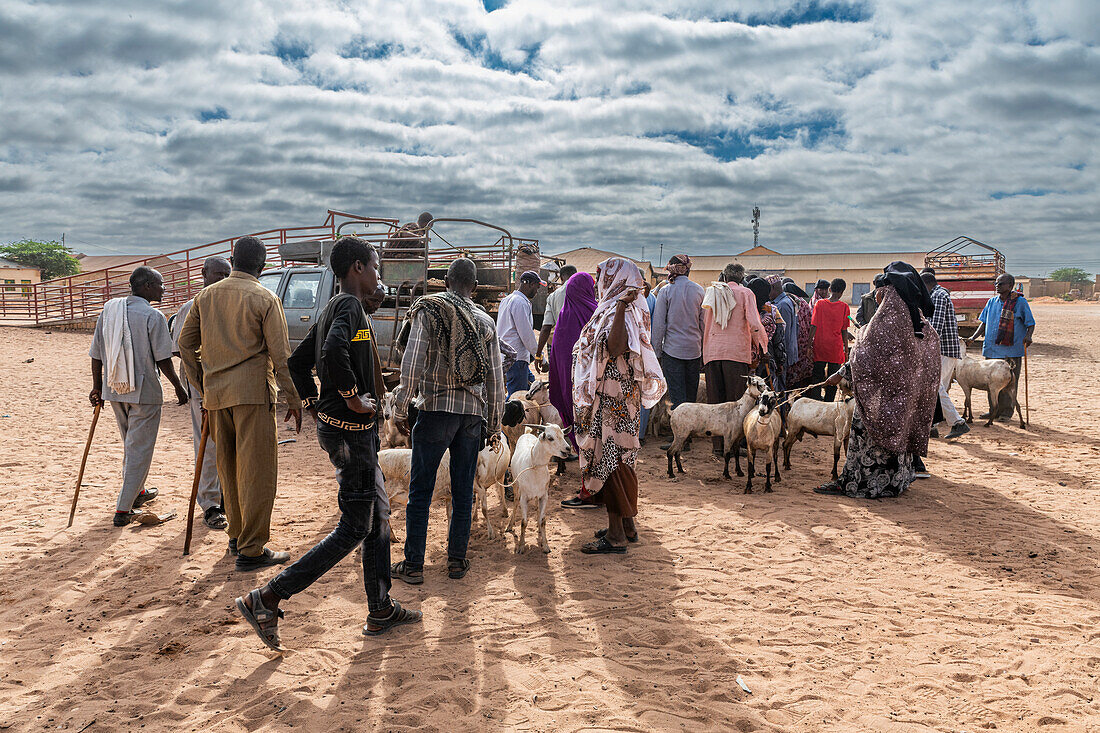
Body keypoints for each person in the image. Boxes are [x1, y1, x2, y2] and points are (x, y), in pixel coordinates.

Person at [235, 238, 421, 651]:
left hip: (343, 430)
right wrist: (353, 396)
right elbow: (334, 351)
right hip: (352, 435)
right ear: (357, 267)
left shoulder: (332, 307)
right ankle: (267, 597)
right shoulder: (350, 307)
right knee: (355, 526)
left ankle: (381, 608)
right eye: (375, 266)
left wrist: (311, 403)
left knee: (377, 516)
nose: (378, 275)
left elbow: (300, 363)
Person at [178, 236, 303, 571]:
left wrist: (203, 386)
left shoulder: (205, 296)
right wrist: (295, 398)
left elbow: (184, 344)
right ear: (262, 266)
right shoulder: (264, 296)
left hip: (217, 397)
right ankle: (251, 549)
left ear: (233, 260)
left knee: (229, 468)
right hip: (252, 395)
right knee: (258, 472)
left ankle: (236, 537)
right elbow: (281, 355)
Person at [391, 258, 504, 584]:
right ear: (476, 288)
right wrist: (494, 425)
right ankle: (456, 561)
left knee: (421, 491)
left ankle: (413, 566)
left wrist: (400, 407)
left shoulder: (429, 310)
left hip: (434, 411)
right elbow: (496, 381)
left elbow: (411, 363)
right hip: (470, 417)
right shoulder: (485, 321)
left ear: (446, 282)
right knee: (462, 491)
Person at [814, 262, 939, 499]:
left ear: (889, 291)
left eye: (880, 290)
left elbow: (866, 355)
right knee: (897, 436)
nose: (876, 294)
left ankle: (858, 484)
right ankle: (894, 483)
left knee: (867, 438)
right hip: (904, 400)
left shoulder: (888, 321)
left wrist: (841, 373)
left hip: (882, 399)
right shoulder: (917, 320)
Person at [572, 258, 667, 553]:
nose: (599, 279)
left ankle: (615, 537)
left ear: (616, 278)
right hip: (619, 398)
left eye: (603, 275)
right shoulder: (618, 308)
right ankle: (627, 526)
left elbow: (615, 348)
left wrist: (622, 306)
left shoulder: (622, 310)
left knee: (610, 460)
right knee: (621, 458)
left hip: (613, 399)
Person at [89, 266, 190, 526]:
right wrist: (178, 387)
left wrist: (97, 387)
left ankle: (139, 490)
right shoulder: (152, 316)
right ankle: (124, 509)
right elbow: (164, 358)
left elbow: (96, 354)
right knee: (139, 449)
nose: (164, 289)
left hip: (114, 389)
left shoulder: (109, 311)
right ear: (146, 287)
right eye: (160, 284)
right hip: (143, 392)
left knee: (131, 445)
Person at [171, 257, 231, 531]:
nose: (222, 279)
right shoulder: (192, 306)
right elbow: (181, 349)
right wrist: (200, 385)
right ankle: (210, 504)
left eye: (226, 274)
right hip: (202, 385)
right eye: (217, 274)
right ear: (203, 273)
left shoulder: (231, 303)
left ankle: (227, 496)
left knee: (229, 443)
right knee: (207, 443)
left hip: (230, 384)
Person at [700, 264, 767, 454]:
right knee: (735, 403)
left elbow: (706, 323)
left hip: (712, 352)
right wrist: (763, 346)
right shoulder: (746, 293)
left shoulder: (712, 292)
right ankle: (733, 446)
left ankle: (718, 447)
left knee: (716, 402)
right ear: (742, 277)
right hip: (735, 354)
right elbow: (754, 324)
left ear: (724, 275)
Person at [969, 273, 1035, 421]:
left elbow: (1030, 323)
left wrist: (1028, 336)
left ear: (1010, 286)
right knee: (990, 382)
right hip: (991, 349)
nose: (997, 286)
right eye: (996, 284)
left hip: (1011, 350)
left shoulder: (1020, 302)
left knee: (1008, 382)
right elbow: (983, 323)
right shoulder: (991, 302)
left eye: (1001, 284)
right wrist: (973, 338)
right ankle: (994, 410)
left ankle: (1006, 412)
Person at [651, 254, 704, 435]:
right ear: (688, 269)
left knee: (677, 396)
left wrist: (656, 352)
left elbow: (659, 326)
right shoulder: (699, 291)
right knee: (690, 396)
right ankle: (688, 436)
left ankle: (680, 437)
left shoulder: (666, 291)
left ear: (671, 269)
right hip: (694, 350)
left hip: (672, 351)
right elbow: (703, 323)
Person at [548, 271, 598, 451]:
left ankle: (581, 451)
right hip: (593, 385)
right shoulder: (596, 313)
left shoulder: (563, 316)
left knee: (575, 418)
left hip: (570, 386)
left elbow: (557, 356)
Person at [921, 269, 969, 440]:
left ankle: (957, 422)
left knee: (936, 387)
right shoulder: (938, 294)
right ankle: (933, 426)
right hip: (945, 350)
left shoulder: (938, 296)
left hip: (944, 350)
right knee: (937, 389)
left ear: (925, 284)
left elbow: (935, 327)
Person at [497, 271, 542, 395]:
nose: (537, 292)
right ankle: (506, 414)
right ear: (530, 284)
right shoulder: (520, 302)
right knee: (517, 398)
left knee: (533, 389)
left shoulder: (506, 300)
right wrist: (539, 357)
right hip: (517, 358)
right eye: (536, 287)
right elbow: (526, 335)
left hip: (508, 356)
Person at [810, 278, 850, 401]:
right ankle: (828, 402)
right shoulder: (844, 307)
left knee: (817, 375)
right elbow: (844, 331)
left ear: (830, 289)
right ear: (842, 292)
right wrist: (846, 350)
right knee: (834, 377)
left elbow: (813, 326)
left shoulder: (819, 304)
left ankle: (816, 400)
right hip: (835, 348)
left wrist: (808, 345)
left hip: (820, 346)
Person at [534, 264, 577, 370]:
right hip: (580, 343)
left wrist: (538, 354)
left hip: (557, 343)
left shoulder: (553, 296)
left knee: (558, 373)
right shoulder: (586, 292)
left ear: (561, 278)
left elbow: (546, 327)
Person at [768, 275, 799, 396]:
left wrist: (779, 357)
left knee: (779, 388)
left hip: (782, 353)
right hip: (783, 352)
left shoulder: (782, 305)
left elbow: (783, 335)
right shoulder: (783, 302)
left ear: (773, 288)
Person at [782, 281, 816, 389]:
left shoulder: (787, 302)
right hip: (805, 341)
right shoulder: (804, 303)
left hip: (794, 341)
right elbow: (811, 322)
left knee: (792, 371)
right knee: (802, 371)